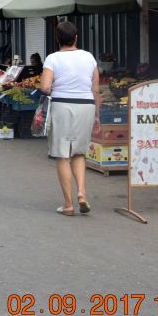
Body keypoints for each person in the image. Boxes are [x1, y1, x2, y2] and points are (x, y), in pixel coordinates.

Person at [39, 21, 98, 217]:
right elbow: (95, 89)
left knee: (63, 155)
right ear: (76, 38)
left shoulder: (52, 59)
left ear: (57, 39)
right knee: (79, 153)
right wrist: (96, 114)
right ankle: (81, 192)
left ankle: (68, 205)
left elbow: (45, 87)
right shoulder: (89, 57)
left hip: (62, 105)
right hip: (86, 106)